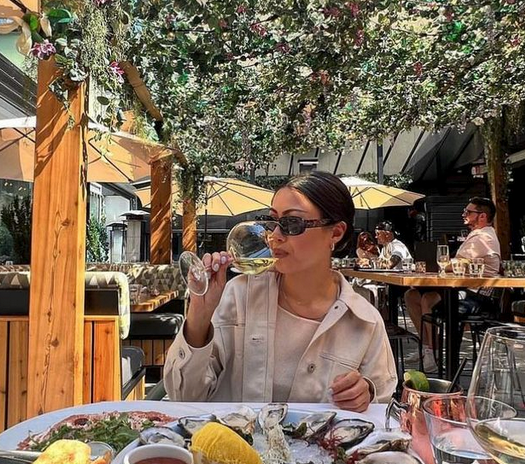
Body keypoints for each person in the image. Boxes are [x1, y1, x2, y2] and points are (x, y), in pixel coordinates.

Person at [164, 171, 397, 411]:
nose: (275, 236)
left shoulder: (365, 322)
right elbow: (183, 397)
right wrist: (200, 314)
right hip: (236, 445)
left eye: (292, 223)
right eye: (274, 222)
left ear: (335, 233)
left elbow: (381, 407)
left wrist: (365, 394)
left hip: (321, 448)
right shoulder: (238, 296)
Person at [403, 197, 502, 373]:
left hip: (478, 297)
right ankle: (428, 350)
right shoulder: (477, 235)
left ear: (482, 217)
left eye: (468, 212)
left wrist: (432, 264)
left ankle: (433, 355)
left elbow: (454, 264)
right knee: (411, 296)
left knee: (429, 299)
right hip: (464, 290)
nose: (464, 214)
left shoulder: (483, 236)